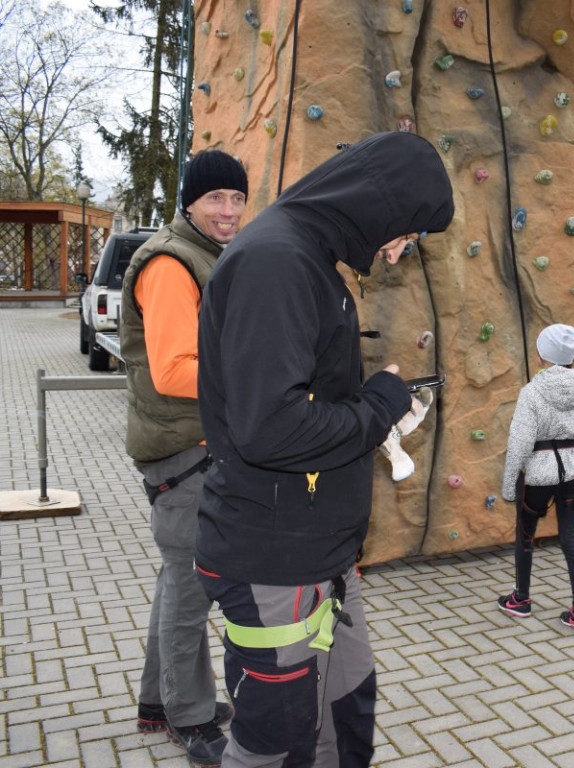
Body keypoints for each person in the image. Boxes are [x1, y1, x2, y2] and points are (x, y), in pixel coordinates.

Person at [194, 131, 454, 768]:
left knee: (346, 714)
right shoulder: (276, 262)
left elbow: (301, 404)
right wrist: (378, 407)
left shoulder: (306, 257)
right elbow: (270, 428)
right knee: (276, 741)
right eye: (405, 236)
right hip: (273, 557)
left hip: (317, 553)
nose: (395, 256)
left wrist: (372, 410)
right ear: (380, 207)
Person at [119, 149, 249, 766]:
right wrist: (255, 376)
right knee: (190, 588)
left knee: (177, 584)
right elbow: (173, 370)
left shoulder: (205, 254)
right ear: (190, 203)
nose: (228, 211)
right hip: (182, 452)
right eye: (215, 199)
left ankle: (156, 702)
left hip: (192, 445)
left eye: (236, 198)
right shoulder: (172, 263)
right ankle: (188, 716)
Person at [497, 323, 574, 634]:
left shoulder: (531, 392)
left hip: (537, 476)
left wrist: (509, 484)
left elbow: (520, 442)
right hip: (571, 473)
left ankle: (521, 599)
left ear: (543, 356)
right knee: (570, 539)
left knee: (525, 536)